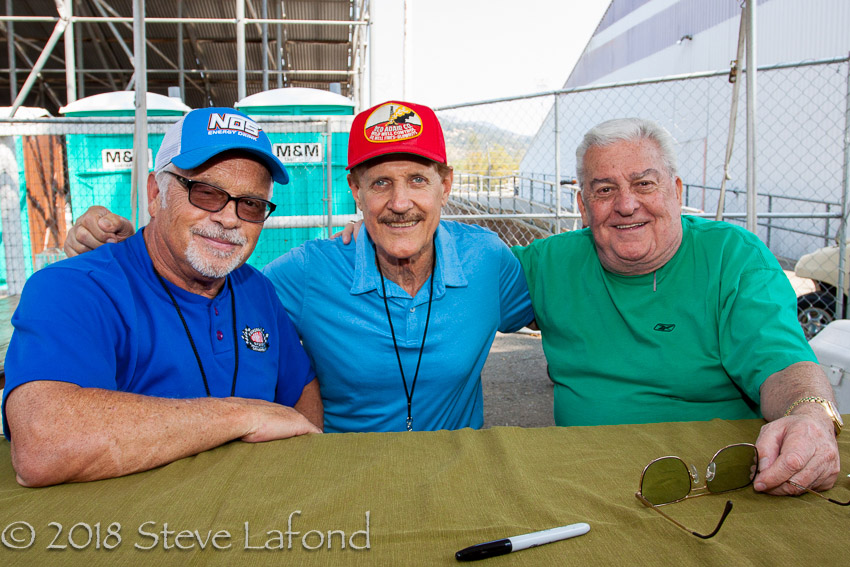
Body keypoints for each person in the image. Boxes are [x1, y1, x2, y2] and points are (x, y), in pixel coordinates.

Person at [62, 100, 535, 433]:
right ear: (356, 191)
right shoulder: (310, 270)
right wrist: (130, 251)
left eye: (417, 179)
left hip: (456, 470)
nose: (399, 202)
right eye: (380, 184)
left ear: (445, 185)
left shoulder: (488, 259)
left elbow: (552, 308)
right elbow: (213, 286)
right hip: (346, 477)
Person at [511, 117, 841, 495]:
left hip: (712, 484)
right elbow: (467, 284)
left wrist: (810, 414)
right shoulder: (546, 264)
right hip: (585, 477)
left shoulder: (733, 257)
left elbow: (783, 363)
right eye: (604, 190)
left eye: (644, 184)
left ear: (677, 191)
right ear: (583, 206)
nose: (626, 204)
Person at [2, 107, 322, 487]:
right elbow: (44, 443)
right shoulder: (74, 286)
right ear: (155, 194)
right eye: (206, 193)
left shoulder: (257, 289)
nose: (229, 218)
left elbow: (301, 392)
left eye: (251, 203)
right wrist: (242, 416)